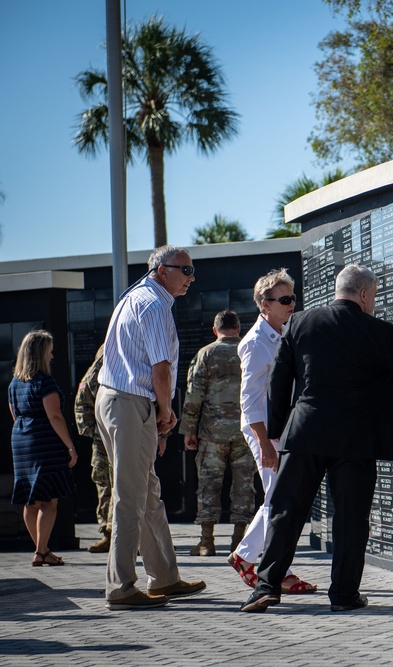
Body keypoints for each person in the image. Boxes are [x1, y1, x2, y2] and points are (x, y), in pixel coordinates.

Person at [240, 263, 393, 613]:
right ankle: (343, 595)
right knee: (351, 518)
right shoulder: (379, 331)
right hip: (356, 440)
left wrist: (277, 434)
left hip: (305, 433)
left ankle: (265, 588)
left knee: (285, 512)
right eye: (375, 296)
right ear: (365, 294)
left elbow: (280, 381)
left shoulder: (300, 323)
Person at [95, 245, 207, 610]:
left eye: (192, 271)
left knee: (146, 494)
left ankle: (165, 578)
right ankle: (121, 587)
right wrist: (165, 413)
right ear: (162, 270)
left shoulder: (137, 296)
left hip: (119, 401)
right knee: (131, 496)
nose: (191, 278)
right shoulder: (155, 304)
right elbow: (161, 368)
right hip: (130, 403)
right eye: (185, 271)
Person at [228, 269, 316, 594]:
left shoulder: (282, 333)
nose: (291, 304)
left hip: (279, 428)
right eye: (284, 300)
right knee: (279, 499)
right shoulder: (254, 343)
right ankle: (256, 560)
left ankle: (257, 560)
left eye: (292, 298)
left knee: (279, 498)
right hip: (264, 430)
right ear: (264, 305)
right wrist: (264, 442)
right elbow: (248, 399)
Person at [180, 310, 255, 556]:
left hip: (212, 435)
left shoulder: (205, 354)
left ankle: (206, 542)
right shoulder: (249, 350)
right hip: (246, 433)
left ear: (215, 330)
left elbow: (194, 395)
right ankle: (239, 541)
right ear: (238, 328)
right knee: (244, 486)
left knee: (208, 487)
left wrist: (189, 429)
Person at [8, 329, 78, 566]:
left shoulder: (14, 384)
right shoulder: (45, 381)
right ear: (40, 353)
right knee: (49, 500)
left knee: (30, 499)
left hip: (21, 440)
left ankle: (43, 550)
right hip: (44, 442)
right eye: (49, 351)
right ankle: (41, 551)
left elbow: (15, 415)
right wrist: (70, 447)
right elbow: (55, 417)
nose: (52, 356)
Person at [74, 344, 113, 553]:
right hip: (103, 438)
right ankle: (108, 534)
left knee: (127, 486)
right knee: (104, 484)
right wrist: (93, 431)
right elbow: (82, 400)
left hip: (128, 434)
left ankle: (131, 538)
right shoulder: (98, 369)